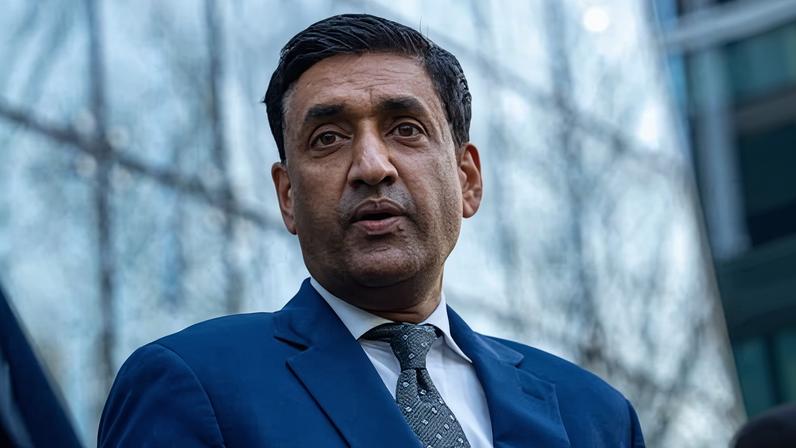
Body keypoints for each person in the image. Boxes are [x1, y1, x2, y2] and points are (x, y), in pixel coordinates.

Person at [98, 13, 645, 447]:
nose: (371, 166)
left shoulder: (595, 416)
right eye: (328, 139)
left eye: (405, 129)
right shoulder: (196, 385)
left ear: (467, 179)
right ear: (287, 196)